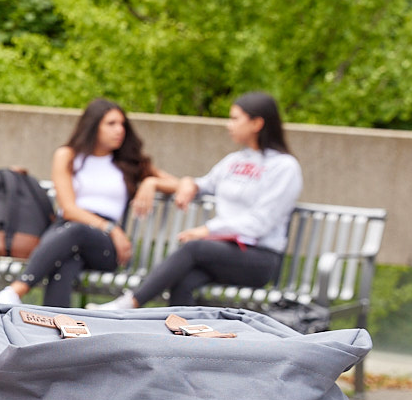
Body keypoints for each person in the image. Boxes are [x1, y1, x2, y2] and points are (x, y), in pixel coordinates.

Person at [100, 91, 302, 310]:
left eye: (235, 118)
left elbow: (260, 223)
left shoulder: (284, 167)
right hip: (222, 252)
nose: (228, 125)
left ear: (256, 123)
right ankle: (183, 338)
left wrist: (208, 230)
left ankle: (129, 304)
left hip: (258, 258)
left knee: (193, 248)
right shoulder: (234, 161)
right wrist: (187, 183)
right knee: (184, 281)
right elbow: (204, 184)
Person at [0, 98, 165, 309]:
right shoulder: (68, 156)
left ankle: (16, 290)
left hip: (104, 245)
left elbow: (179, 184)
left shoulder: (129, 163)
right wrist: (112, 229)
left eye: (122, 124)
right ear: (93, 125)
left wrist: (150, 181)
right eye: (111, 124)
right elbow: (69, 208)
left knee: (75, 233)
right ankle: (55, 329)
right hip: (69, 231)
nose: (119, 130)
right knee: (64, 264)